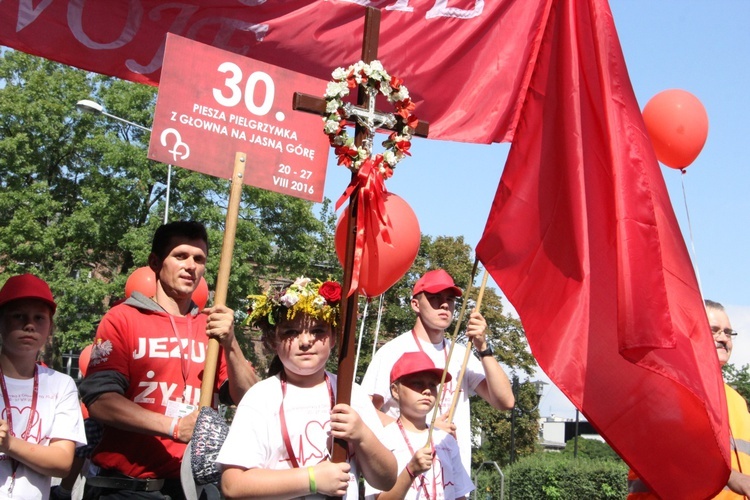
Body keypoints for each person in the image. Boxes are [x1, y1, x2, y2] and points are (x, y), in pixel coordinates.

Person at [79, 221, 258, 499]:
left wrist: (231, 343)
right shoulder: (122, 318)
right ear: (155, 262)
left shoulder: (212, 328)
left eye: (199, 259)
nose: (191, 266)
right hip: (126, 489)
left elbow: (250, 401)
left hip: (191, 490)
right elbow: (100, 401)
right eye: (180, 256)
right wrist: (174, 427)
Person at [217, 277, 396, 499]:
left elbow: (387, 479)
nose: (305, 341)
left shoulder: (351, 394)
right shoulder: (261, 397)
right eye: (291, 332)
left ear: (333, 338)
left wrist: (362, 435)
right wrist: (312, 479)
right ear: (274, 340)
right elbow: (233, 485)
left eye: (318, 331)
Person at [361, 268, 515, 475]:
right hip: (405, 476)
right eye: (434, 298)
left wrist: (483, 347)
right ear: (415, 304)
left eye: (450, 299)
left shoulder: (462, 354)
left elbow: (505, 402)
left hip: (452, 480)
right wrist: (424, 430)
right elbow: (364, 413)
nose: (444, 305)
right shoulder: (392, 351)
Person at [628, 300, 750, 499]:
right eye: (715, 330)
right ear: (690, 335)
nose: (724, 339)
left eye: (728, 333)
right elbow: (672, 451)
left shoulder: (737, 401)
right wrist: (731, 477)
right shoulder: (665, 389)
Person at [0, 274, 87, 499]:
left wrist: (8, 444)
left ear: (50, 328)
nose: (29, 325)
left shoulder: (60, 384)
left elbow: (62, 462)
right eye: (18, 316)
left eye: (39, 318)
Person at [376, 351, 473, 500]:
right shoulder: (382, 439)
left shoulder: (446, 440)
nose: (427, 391)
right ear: (395, 391)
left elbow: (460, 495)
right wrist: (411, 470)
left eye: (433, 385)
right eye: (417, 383)